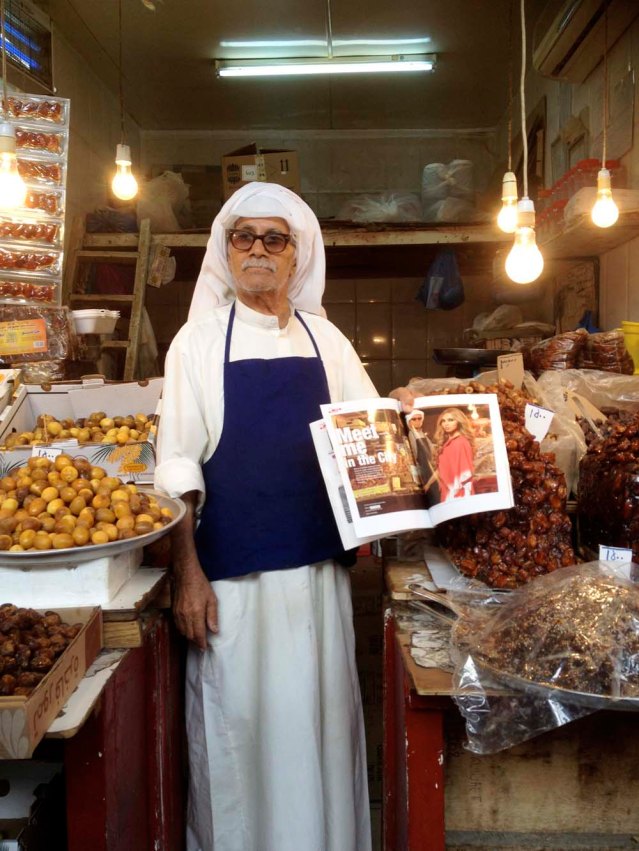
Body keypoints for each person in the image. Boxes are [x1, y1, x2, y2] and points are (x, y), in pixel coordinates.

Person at [154, 182, 377, 851]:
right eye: (242, 237)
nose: (256, 249)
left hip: (319, 587)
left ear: (295, 255)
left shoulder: (328, 340)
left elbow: (373, 442)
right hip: (232, 594)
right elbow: (176, 470)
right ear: (225, 252)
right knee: (240, 744)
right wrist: (186, 573)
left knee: (322, 737)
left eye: (272, 238)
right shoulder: (195, 344)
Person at [432, 407, 475, 501]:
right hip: (447, 490)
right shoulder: (447, 443)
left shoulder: (460, 442)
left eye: (450, 420)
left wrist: (453, 493)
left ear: (459, 422)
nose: (446, 424)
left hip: (457, 494)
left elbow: (465, 473)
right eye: (443, 421)